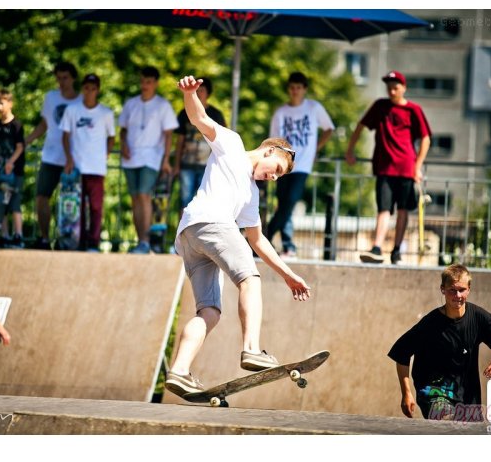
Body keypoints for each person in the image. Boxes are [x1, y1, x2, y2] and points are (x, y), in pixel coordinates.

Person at [164, 75, 312, 398]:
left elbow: (258, 241)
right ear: (270, 150)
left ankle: (178, 370)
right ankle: (252, 349)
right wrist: (190, 94)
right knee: (250, 279)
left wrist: (288, 275)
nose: (273, 178)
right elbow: (199, 119)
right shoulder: (230, 142)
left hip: (190, 235)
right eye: (277, 169)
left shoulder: (251, 195)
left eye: (278, 178)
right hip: (212, 224)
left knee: (209, 312)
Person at [388, 264, 491, 421]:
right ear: (443, 289)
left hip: (468, 397)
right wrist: (406, 393)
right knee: (449, 424)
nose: (457, 295)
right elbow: (401, 353)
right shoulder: (430, 323)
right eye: (452, 290)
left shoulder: (478, 317)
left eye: (462, 290)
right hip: (435, 392)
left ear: (469, 289)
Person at [345, 70, 431, 265]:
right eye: (389, 88)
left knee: (402, 210)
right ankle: (377, 248)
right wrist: (350, 150)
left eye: (396, 87)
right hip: (384, 167)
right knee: (383, 209)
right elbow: (359, 126)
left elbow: (426, 138)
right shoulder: (380, 106)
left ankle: (397, 251)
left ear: (403, 88)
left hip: (406, 168)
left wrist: (417, 167)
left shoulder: (413, 110)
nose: (392, 91)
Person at [267, 72, 334, 259]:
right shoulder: (281, 113)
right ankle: (288, 246)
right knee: (283, 205)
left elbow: (329, 128)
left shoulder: (313, 107)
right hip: (282, 164)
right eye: (292, 87)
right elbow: (273, 141)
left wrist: (316, 148)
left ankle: (265, 236)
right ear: (288, 89)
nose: (295, 91)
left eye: (298, 87)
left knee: (290, 201)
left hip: (302, 164)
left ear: (304, 89)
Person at [118, 66, 179, 254]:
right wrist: (123, 145)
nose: (145, 85)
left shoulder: (163, 105)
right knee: (135, 198)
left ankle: (146, 241)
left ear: (156, 83)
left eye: (149, 82)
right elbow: (123, 129)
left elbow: (169, 135)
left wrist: (166, 160)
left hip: (151, 157)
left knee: (144, 195)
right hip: (130, 158)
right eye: (143, 81)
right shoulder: (131, 103)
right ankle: (140, 241)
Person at [25, 62, 82, 250]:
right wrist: (27, 141)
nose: (61, 82)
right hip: (51, 156)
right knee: (42, 196)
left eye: (65, 78)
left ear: (73, 78)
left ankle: (70, 239)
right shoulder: (51, 98)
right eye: (58, 78)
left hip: (73, 159)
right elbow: (44, 124)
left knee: (71, 201)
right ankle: (43, 237)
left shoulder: (81, 100)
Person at [59, 73, 115, 252]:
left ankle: (93, 242)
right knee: (77, 207)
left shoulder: (106, 113)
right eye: (86, 88)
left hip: (97, 168)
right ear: (82, 89)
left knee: (96, 206)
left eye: (93, 88)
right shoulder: (72, 110)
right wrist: (68, 158)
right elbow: (65, 135)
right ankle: (78, 240)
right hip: (76, 167)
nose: (89, 92)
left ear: (97, 90)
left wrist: (106, 153)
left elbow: (112, 136)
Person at [174, 77, 226, 215]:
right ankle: (182, 234)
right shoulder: (184, 113)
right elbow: (180, 141)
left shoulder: (216, 114)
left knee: (205, 202)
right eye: (197, 90)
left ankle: (199, 235)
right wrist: (176, 165)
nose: (198, 92)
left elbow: (223, 142)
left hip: (208, 166)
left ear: (208, 93)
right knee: (185, 202)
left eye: (201, 90)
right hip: (187, 165)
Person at [0, 89, 26, 248]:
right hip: (0, 171)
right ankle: (5, 235)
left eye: (1, 103)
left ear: (9, 104)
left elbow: (20, 147)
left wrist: (11, 162)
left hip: (14, 172)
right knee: (1, 202)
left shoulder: (16, 125)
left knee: (14, 203)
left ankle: (18, 235)